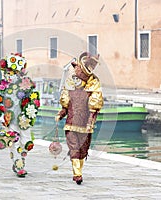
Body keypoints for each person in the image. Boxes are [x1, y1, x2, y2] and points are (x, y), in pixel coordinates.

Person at [0, 53, 40, 177]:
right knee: (13, 141)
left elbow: (34, 99)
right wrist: (1, 114)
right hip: (10, 119)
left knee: (27, 143)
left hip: (24, 119)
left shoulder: (27, 84)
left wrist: (29, 112)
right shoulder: (3, 86)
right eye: (8, 73)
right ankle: (18, 164)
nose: (10, 75)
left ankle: (21, 159)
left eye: (13, 73)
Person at [55, 52, 104, 185]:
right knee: (74, 148)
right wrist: (61, 113)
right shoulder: (70, 87)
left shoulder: (93, 87)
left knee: (83, 150)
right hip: (70, 124)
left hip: (85, 126)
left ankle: (78, 171)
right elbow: (66, 105)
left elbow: (94, 108)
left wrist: (90, 122)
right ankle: (77, 174)